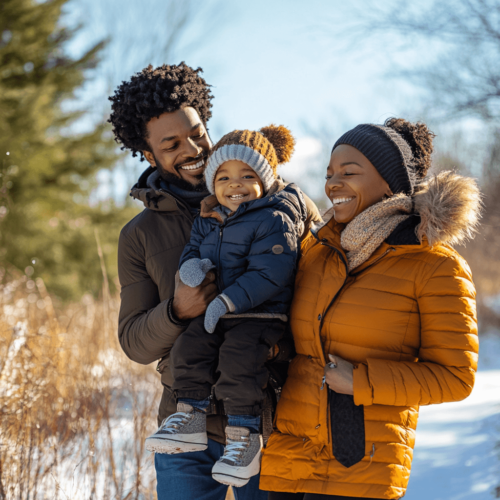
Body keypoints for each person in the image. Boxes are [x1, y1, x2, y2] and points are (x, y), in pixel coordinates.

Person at [109, 63, 321, 500]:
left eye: (197, 133)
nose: (193, 149)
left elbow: (326, 297)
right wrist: (176, 311)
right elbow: (134, 342)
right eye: (171, 144)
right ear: (150, 156)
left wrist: (279, 344)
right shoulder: (140, 235)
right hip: (187, 428)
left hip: (274, 419)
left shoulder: (284, 204)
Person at [260, 118, 481, 499]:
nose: (333, 184)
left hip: (360, 468)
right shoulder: (316, 253)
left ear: (389, 182)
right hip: (289, 461)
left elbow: (456, 377)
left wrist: (362, 381)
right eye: (330, 173)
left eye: (349, 172)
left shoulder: (435, 265)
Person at [144, 125, 305, 487]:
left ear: (265, 180)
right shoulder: (210, 217)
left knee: (238, 363)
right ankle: (190, 415)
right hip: (219, 310)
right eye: (224, 176)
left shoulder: (273, 218)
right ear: (212, 183)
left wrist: (226, 301)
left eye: (248, 175)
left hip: (258, 314)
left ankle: (245, 438)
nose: (236, 184)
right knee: (188, 347)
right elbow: (193, 250)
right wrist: (192, 269)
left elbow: (271, 273)